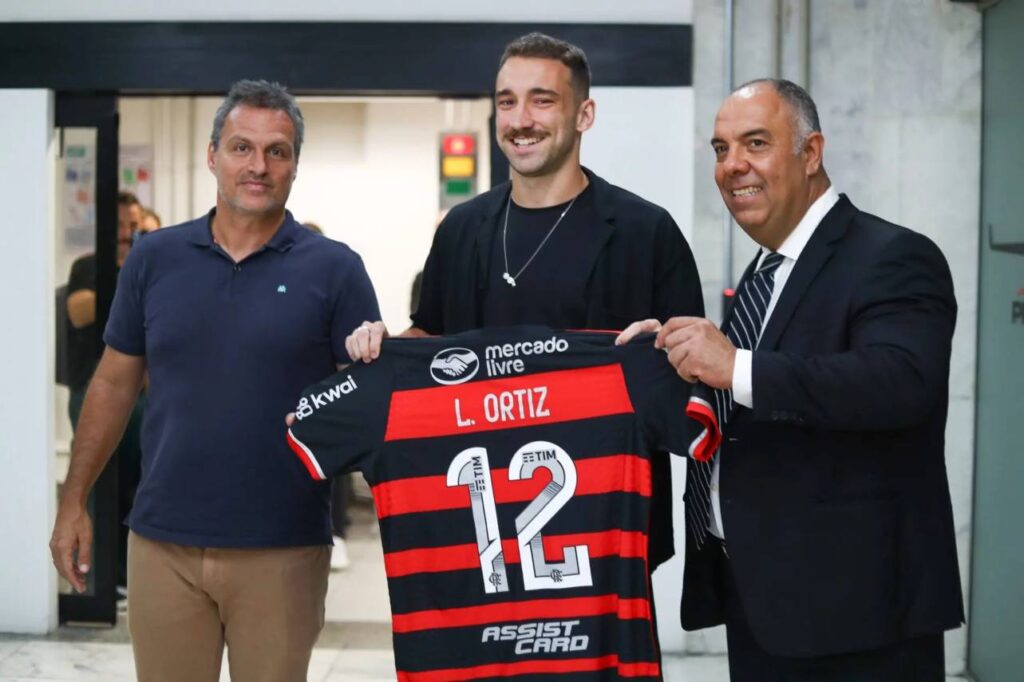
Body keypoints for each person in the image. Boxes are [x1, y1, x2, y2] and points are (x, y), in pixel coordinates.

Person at [619, 78, 964, 680]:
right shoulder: (763, 275)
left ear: (810, 153)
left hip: (857, 616)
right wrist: (666, 357)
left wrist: (734, 366)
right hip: (758, 597)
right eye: (721, 149)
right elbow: (755, 406)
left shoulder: (893, 255)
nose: (733, 166)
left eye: (755, 143)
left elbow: (902, 381)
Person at [50, 79, 380, 682]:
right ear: (212, 156)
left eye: (276, 151)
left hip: (282, 548)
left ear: (294, 165)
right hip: (162, 545)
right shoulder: (155, 258)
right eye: (241, 147)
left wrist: (376, 361)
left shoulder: (335, 269)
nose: (258, 165)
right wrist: (73, 502)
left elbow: (366, 404)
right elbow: (113, 385)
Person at [345, 32, 704, 574]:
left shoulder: (645, 232)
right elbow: (430, 342)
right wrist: (384, 350)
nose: (520, 119)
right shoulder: (462, 229)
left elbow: (695, 393)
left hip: (605, 530)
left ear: (584, 114)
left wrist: (666, 353)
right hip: (477, 521)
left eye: (542, 100)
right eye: (506, 101)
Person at [64, 190, 146, 594]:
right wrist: (126, 281)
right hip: (91, 390)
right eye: (121, 224)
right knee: (99, 482)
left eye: (134, 224)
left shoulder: (149, 268)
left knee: (138, 483)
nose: (126, 232)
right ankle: (99, 578)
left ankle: (127, 575)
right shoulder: (89, 266)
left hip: (142, 397)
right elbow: (79, 310)